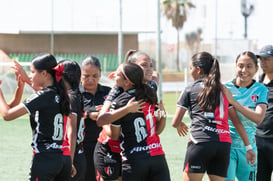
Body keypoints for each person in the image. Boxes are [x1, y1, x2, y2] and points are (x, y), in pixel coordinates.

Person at [171, 52, 255, 181]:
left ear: (198, 70)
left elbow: (175, 122)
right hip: (223, 145)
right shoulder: (225, 90)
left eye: (191, 68)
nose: (190, 72)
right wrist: (248, 147)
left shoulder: (190, 88)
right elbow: (237, 122)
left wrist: (179, 124)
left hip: (200, 142)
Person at [0, 53, 72, 181]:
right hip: (63, 159)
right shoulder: (61, 93)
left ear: (44, 73)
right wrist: (21, 85)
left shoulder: (43, 96)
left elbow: (7, 115)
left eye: (32, 72)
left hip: (45, 159)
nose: (30, 76)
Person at [103, 62, 171, 181]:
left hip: (134, 159)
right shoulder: (150, 94)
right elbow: (158, 130)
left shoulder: (119, 102)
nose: (114, 76)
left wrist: (104, 122)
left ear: (127, 81)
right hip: (158, 157)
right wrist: (163, 115)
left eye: (117, 74)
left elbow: (114, 136)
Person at [223, 51, 268, 181]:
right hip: (227, 147)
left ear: (256, 68)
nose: (244, 70)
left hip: (249, 149)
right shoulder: (225, 88)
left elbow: (258, 118)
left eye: (249, 66)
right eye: (240, 65)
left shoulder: (260, 89)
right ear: (235, 66)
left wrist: (233, 102)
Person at [80, 55, 111, 181]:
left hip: (106, 146)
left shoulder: (108, 93)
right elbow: (65, 114)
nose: (90, 80)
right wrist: (88, 115)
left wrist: (107, 111)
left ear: (100, 75)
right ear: (80, 75)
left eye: (95, 76)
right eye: (86, 76)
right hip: (83, 146)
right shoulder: (74, 94)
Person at [59, 59, 87, 181]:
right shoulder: (75, 94)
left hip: (73, 156)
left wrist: (69, 162)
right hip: (78, 154)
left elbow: (72, 131)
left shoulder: (71, 97)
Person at [255, 45, 273, 181]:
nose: (263, 62)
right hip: (258, 140)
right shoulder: (257, 83)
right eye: (261, 59)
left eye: (267, 59)